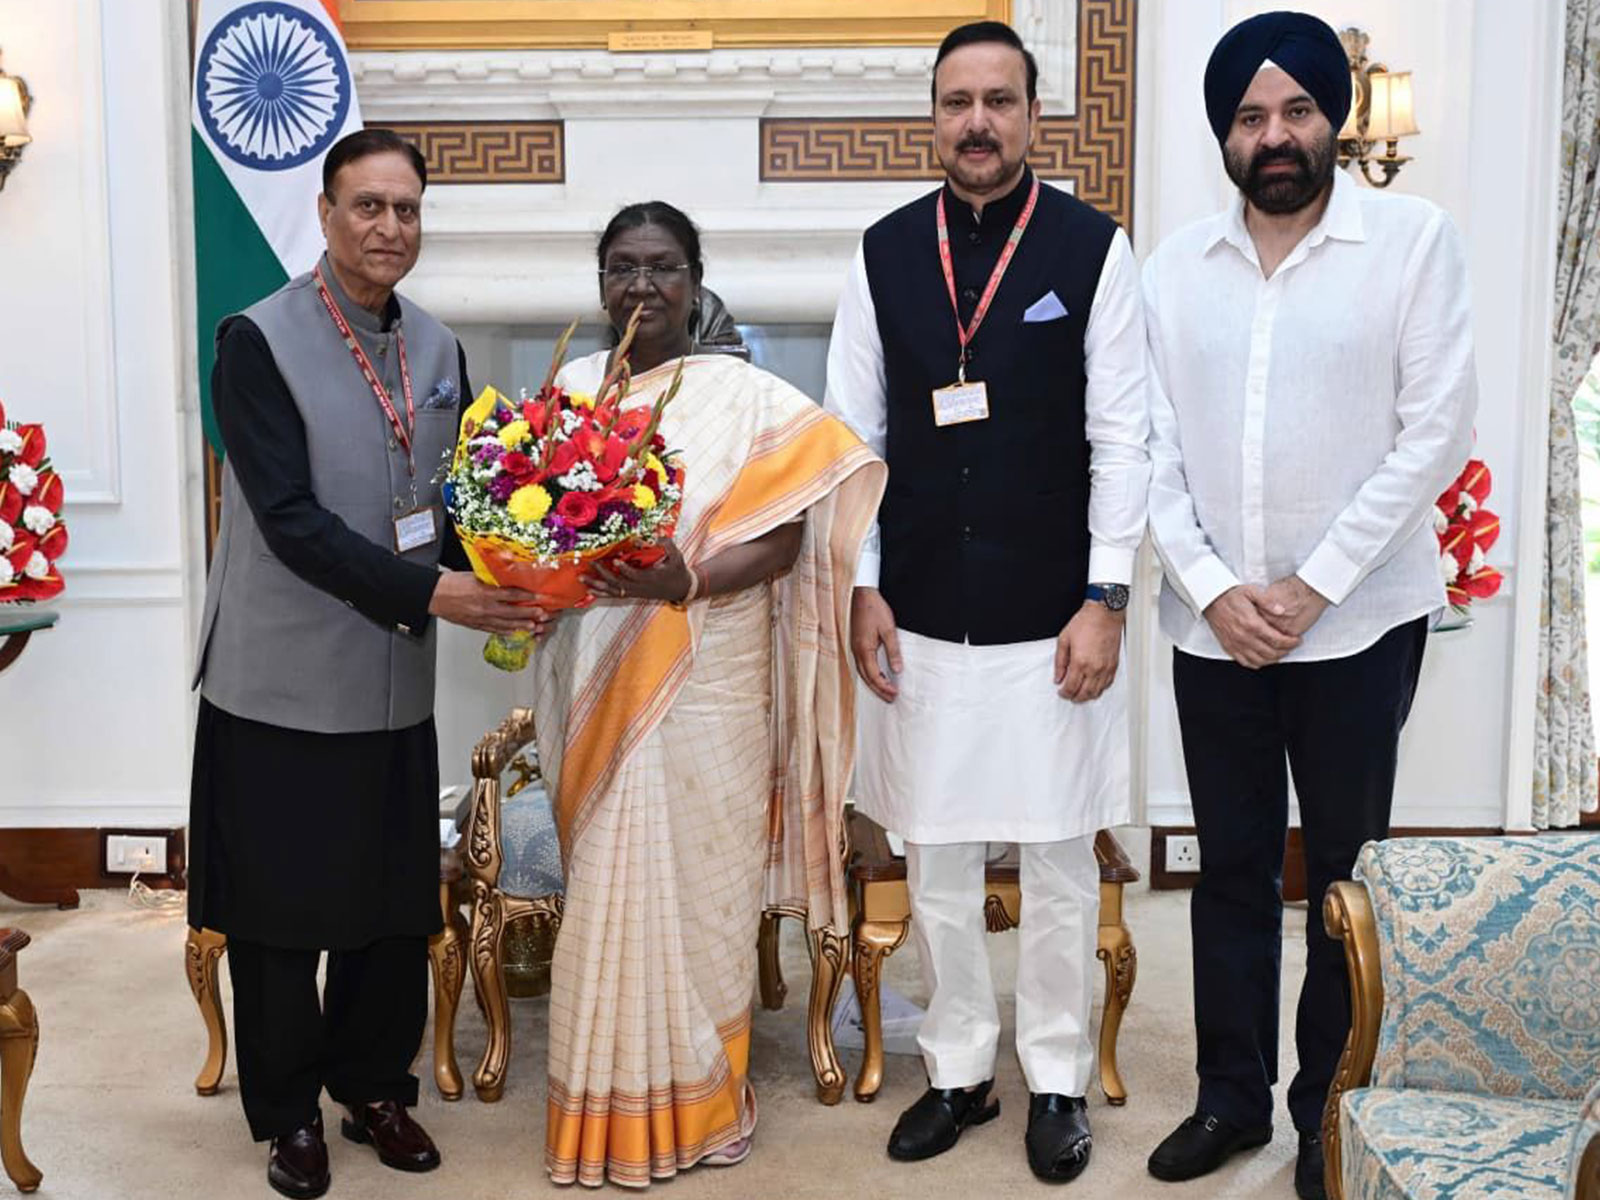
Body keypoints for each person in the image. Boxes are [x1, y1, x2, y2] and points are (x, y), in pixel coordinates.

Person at [1140, 14, 1477, 1199]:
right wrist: (1218, 588)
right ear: (1222, 135)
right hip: (1209, 630)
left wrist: (1311, 584)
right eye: (1248, 117)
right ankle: (1229, 1102)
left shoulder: (1410, 242)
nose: (1273, 137)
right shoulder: (1170, 268)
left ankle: (1327, 1113)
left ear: (1333, 119)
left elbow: (1432, 431)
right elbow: (1145, 447)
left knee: (1343, 878)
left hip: (1360, 623)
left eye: (1295, 112)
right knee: (1229, 870)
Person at [187, 128, 546, 1200]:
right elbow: (290, 521)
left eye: (407, 209)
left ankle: (375, 1085)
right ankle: (288, 1113)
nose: (390, 228)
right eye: (368, 207)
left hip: (394, 681)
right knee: (282, 910)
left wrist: (524, 570)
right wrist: (440, 590)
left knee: (393, 902)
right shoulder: (255, 339)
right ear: (327, 214)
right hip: (280, 680)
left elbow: (455, 506)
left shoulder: (436, 349)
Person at [824, 20, 1150, 1184]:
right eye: (957, 101)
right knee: (941, 855)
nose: (977, 122)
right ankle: (959, 1069)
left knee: (1062, 859)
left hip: (1053, 613)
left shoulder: (1091, 248)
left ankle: (1056, 1078)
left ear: (1032, 113)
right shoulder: (882, 252)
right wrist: (859, 586)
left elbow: (1124, 441)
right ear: (932, 116)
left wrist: (1106, 595)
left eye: (999, 101)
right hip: (915, 607)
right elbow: (850, 439)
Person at [530, 200, 885, 1189]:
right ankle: (602, 1110)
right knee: (608, 885)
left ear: (695, 278)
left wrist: (680, 580)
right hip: (595, 667)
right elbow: (532, 521)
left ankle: (701, 1098)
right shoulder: (568, 391)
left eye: (664, 267)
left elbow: (785, 538)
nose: (642, 286)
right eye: (623, 267)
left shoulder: (747, 397)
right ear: (600, 280)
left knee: (701, 901)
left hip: (711, 678)